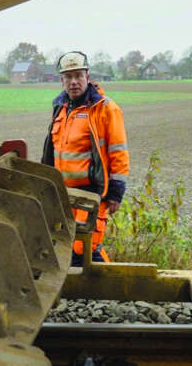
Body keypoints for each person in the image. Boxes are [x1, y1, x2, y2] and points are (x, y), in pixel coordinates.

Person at [41, 51, 129, 266]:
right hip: (63, 193)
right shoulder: (60, 107)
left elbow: (118, 152)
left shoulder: (105, 109)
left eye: (78, 76)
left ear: (87, 77)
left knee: (86, 248)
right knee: (64, 246)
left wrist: (116, 193)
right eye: (68, 77)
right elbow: (52, 151)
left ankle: (112, 291)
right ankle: (81, 294)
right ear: (62, 80)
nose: (73, 82)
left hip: (92, 192)